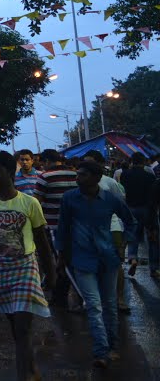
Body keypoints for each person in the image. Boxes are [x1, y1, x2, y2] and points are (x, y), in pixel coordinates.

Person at [0, 151, 55, 381]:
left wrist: (51, 273)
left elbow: (42, 240)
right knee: (15, 325)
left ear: (11, 173)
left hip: (25, 269)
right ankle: (31, 369)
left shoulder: (29, 203)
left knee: (21, 326)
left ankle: (24, 376)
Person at [55, 159, 137, 369]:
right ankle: (101, 351)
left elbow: (130, 221)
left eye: (83, 174)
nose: (78, 178)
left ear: (96, 178)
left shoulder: (110, 199)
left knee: (109, 305)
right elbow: (62, 227)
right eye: (78, 174)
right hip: (82, 259)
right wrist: (61, 255)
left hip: (108, 258)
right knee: (93, 305)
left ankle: (112, 346)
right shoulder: (70, 199)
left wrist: (124, 244)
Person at [83, 149, 131, 312]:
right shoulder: (80, 183)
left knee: (115, 265)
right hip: (90, 231)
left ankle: (120, 299)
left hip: (113, 227)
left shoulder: (109, 182)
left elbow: (121, 204)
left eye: (90, 162)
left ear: (99, 164)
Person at [37, 149, 78, 307]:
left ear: (47, 161)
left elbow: (36, 203)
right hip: (75, 225)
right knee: (69, 260)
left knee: (59, 261)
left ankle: (61, 297)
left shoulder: (44, 177)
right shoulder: (75, 174)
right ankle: (61, 296)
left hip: (53, 227)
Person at [121, 152, 158, 278]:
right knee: (152, 239)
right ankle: (154, 268)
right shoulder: (150, 177)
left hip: (131, 208)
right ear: (144, 162)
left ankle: (133, 258)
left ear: (132, 162)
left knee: (133, 235)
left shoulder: (125, 175)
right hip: (147, 209)